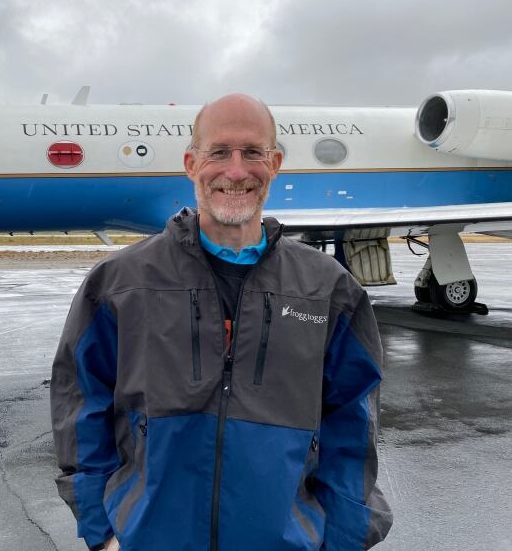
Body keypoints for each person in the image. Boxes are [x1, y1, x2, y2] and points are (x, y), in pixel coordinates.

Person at [51, 94, 393, 550]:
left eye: (253, 153)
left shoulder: (330, 289)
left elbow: (352, 426)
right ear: (192, 163)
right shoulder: (119, 284)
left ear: (274, 164)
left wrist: (341, 539)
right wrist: (103, 530)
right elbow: (81, 406)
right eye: (219, 152)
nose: (236, 171)